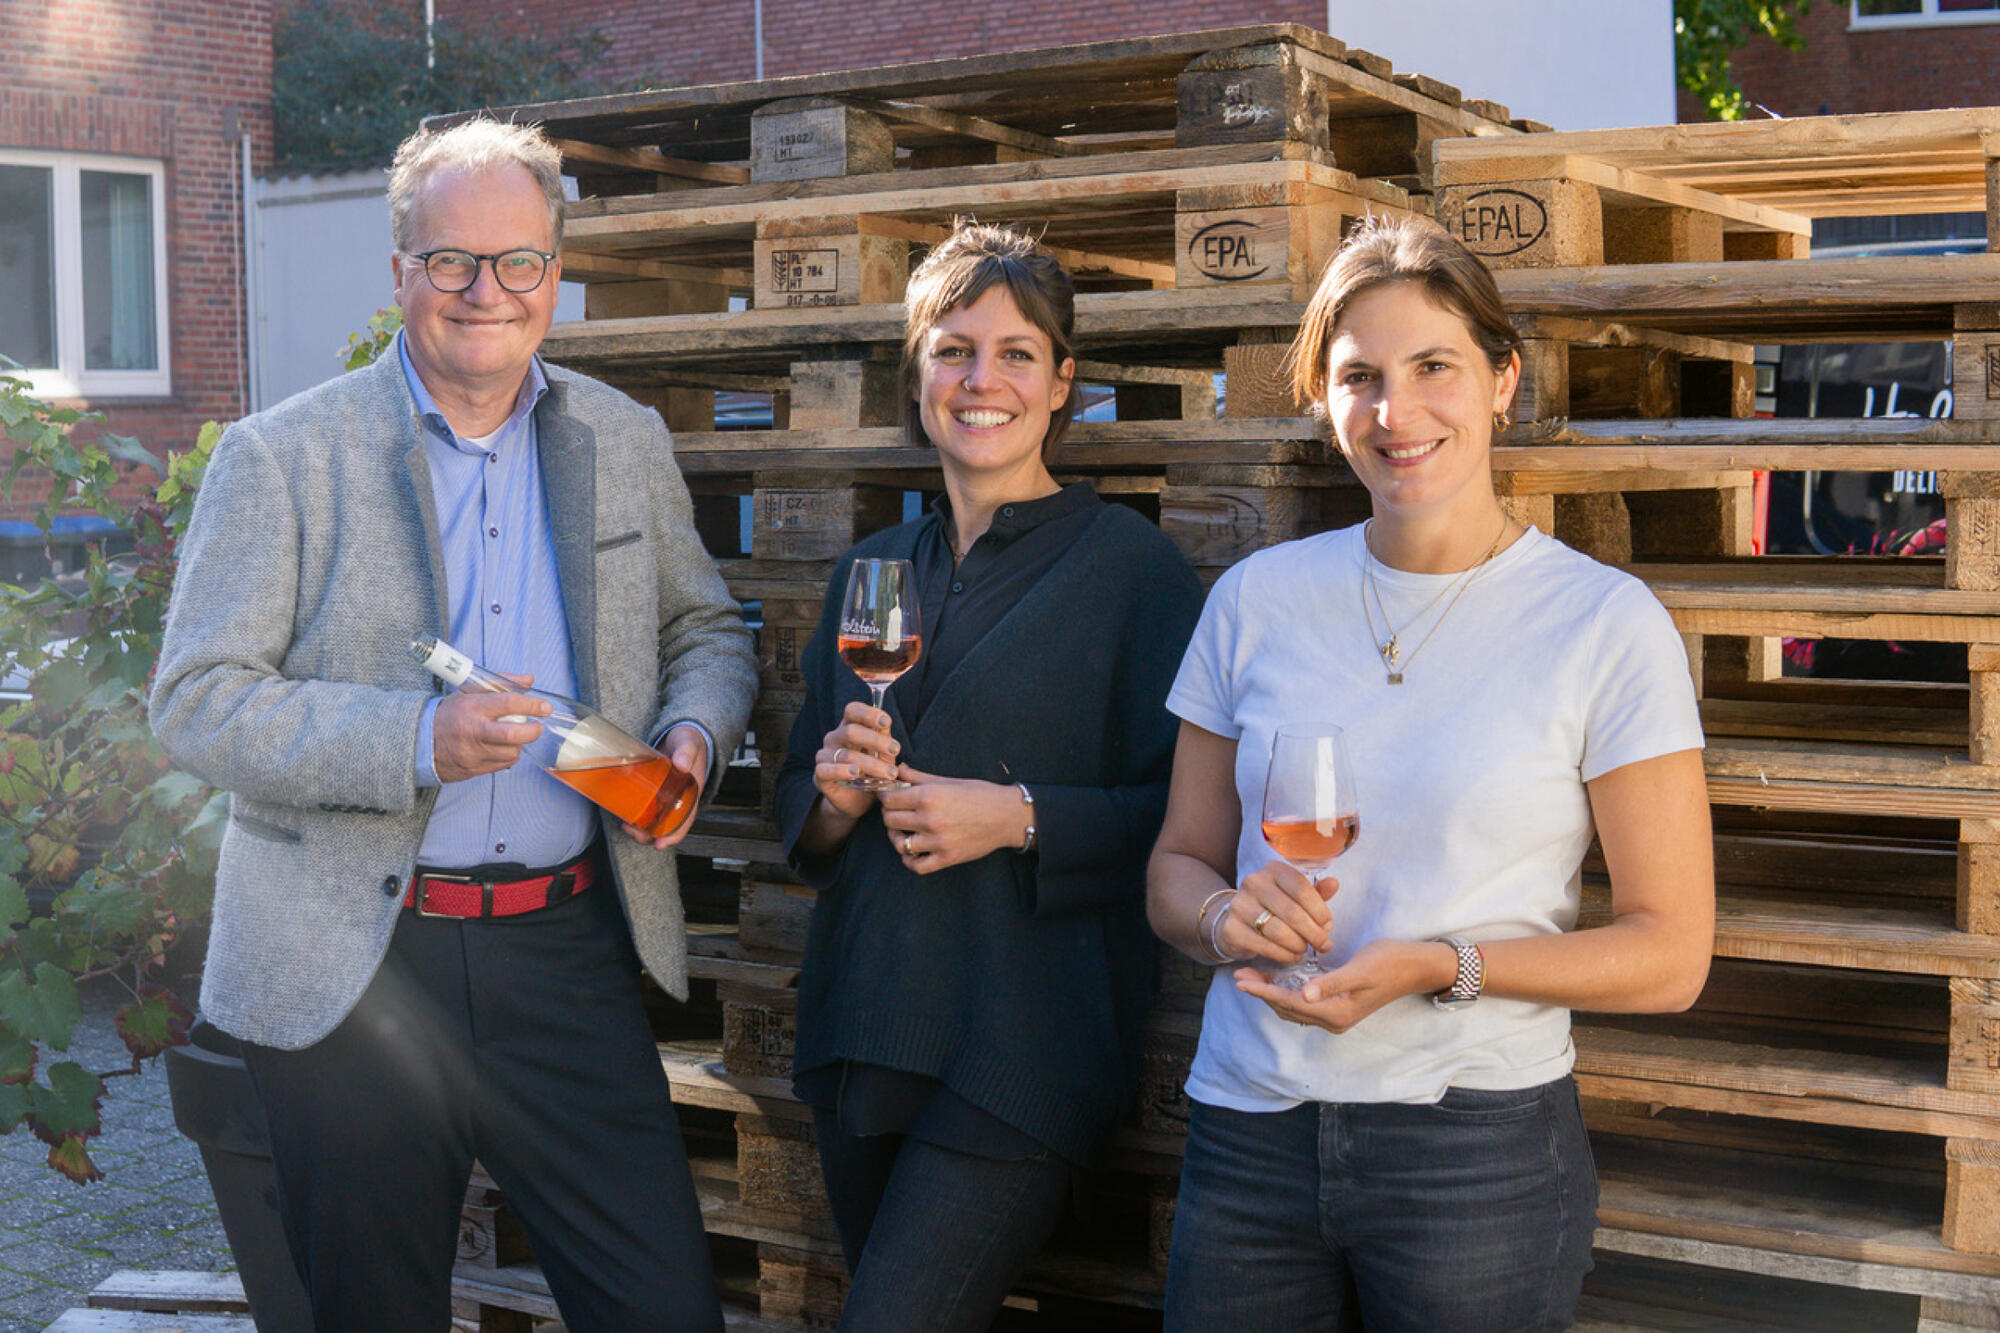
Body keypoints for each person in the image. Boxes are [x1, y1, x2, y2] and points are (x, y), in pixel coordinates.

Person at [149, 118, 756, 1332]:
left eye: (516, 261)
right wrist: (415, 739)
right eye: (451, 262)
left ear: (554, 270)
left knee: (663, 1308)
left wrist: (694, 734)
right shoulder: (282, 456)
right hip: (358, 970)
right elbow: (196, 700)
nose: (486, 292)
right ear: (398, 273)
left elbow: (709, 632)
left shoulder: (621, 439)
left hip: (565, 951)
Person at [1146, 214, 1715, 1332]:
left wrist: (1432, 965)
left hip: (1477, 1151)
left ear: (1502, 381)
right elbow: (1174, 863)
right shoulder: (1253, 601)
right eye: (1358, 376)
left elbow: (1669, 954)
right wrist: (1221, 916)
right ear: (1323, 399)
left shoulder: (1602, 624)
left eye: (1432, 368)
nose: (1393, 412)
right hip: (1247, 1131)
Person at [772, 221, 1204, 1331]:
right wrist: (835, 795)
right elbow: (800, 820)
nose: (982, 379)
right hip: (864, 1028)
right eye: (953, 349)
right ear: (917, 375)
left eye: (1016, 353)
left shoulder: (1132, 573)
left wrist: (1014, 818)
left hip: (1019, 1051)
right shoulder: (872, 569)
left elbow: (1188, 818)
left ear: (1061, 383)